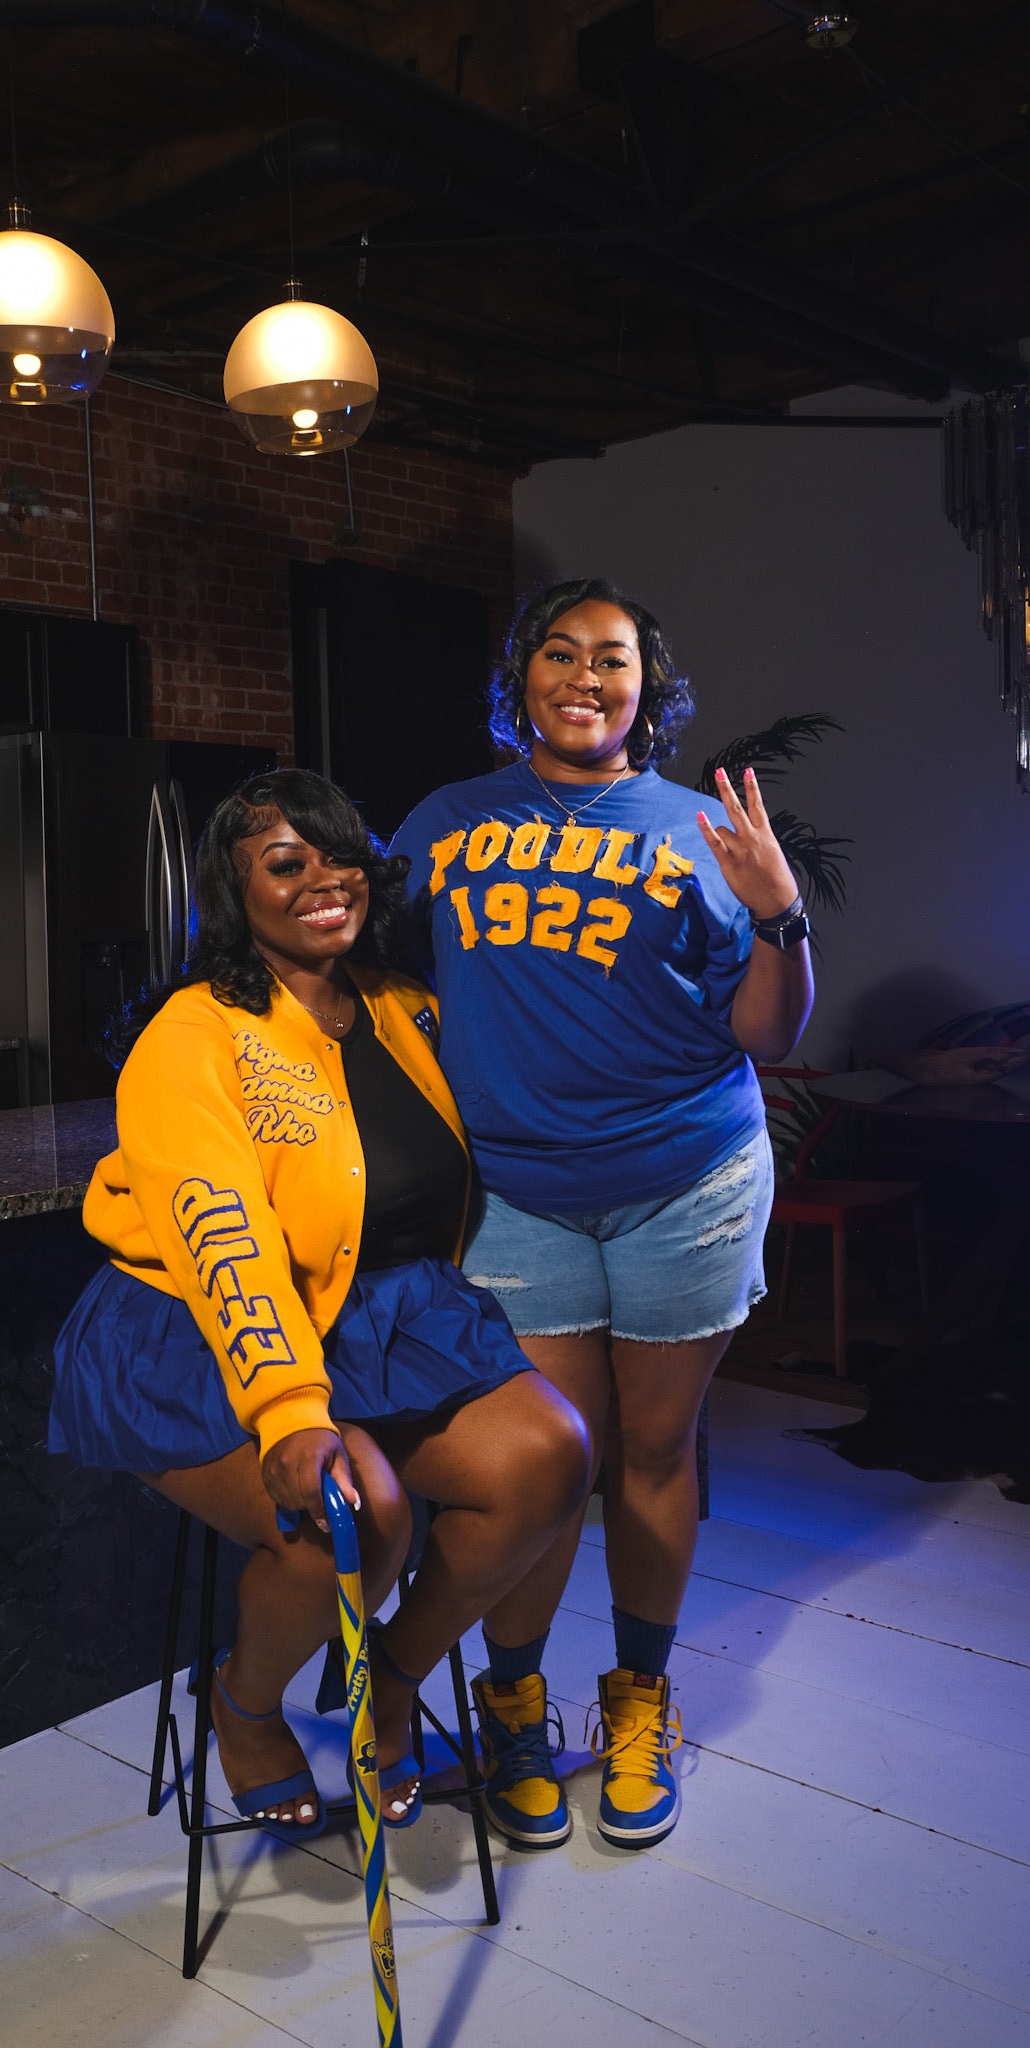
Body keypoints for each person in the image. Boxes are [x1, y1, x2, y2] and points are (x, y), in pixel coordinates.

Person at [49, 769, 589, 1837]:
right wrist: (291, 1410)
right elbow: (222, 1234)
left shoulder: (398, 1004)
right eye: (285, 862)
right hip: (198, 1326)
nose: (324, 879)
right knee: (360, 1513)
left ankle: (388, 1678)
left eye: (340, 855)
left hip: (380, 1319)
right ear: (233, 889)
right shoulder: (194, 1034)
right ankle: (245, 1706)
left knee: (549, 1456)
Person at [391, 577, 813, 1851]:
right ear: (521, 676)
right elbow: (366, 967)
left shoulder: (699, 827)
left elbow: (768, 1031)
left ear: (646, 685)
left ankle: (638, 1698)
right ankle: (515, 1708)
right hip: (516, 1191)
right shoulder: (447, 821)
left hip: (688, 1180)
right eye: (560, 652)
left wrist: (779, 910)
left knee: (655, 1450)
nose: (586, 675)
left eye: (613, 657)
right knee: (551, 1463)